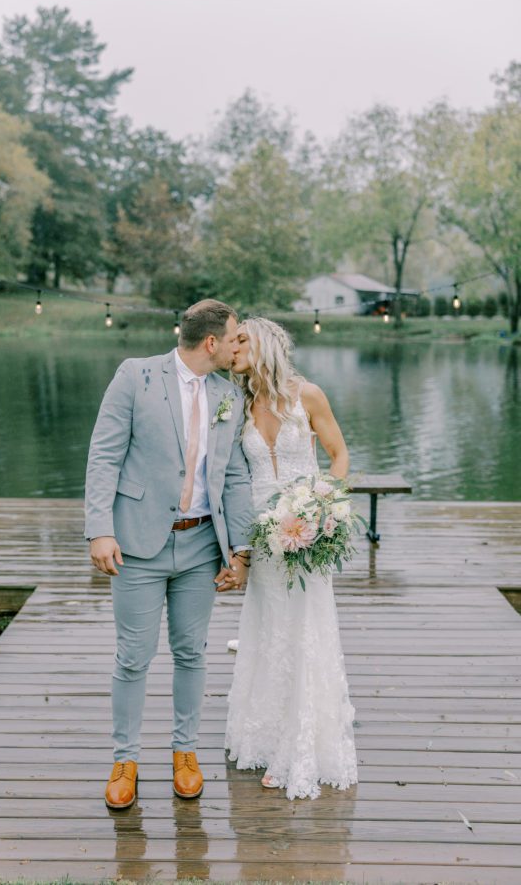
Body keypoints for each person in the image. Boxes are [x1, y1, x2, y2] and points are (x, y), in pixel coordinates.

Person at [85, 299, 253, 810]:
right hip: (136, 543)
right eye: (234, 337)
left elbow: (237, 475)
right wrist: (99, 529)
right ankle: (125, 760)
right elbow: (105, 454)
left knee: (191, 653)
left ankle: (185, 753)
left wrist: (241, 550)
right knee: (133, 658)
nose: (237, 345)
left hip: (202, 545)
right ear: (211, 343)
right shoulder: (135, 376)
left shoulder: (229, 394)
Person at [224, 317, 358, 800]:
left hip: (307, 535)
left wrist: (324, 506)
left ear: (266, 345)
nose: (233, 347)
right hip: (263, 539)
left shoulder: (310, 395)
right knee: (268, 631)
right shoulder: (238, 403)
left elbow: (339, 455)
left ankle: (297, 746)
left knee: (305, 632)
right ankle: (263, 732)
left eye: (242, 340)